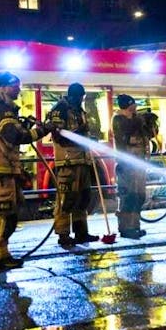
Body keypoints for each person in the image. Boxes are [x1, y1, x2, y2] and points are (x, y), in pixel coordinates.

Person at [0, 71, 53, 269]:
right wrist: (41, 130)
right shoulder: (2, 109)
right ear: (1, 88)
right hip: (0, 168)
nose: (18, 89)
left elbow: (6, 132)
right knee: (5, 214)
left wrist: (22, 126)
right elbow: (14, 136)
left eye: (18, 85)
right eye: (13, 85)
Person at [47, 83, 99, 247]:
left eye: (82, 97)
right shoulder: (60, 109)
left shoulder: (78, 110)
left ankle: (81, 232)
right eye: (79, 97)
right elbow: (59, 137)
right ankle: (63, 234)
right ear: (72, 96)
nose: (81, 100)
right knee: (66, 199)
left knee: (83, 198)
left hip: (82, 160)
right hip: (68, 161)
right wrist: (80, 132)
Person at [112, 94, 151, 239]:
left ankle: (135, 225)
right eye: (132, 105)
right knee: (127, 196)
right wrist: (138, 121)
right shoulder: (118, 119)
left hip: (139, 163)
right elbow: (125, 135)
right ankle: (125, 227)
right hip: (126, 164)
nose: (135, 107)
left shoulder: (136, 119)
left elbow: (148, 136)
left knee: (139, 195)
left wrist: (148, 124)